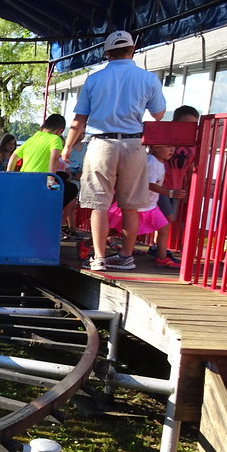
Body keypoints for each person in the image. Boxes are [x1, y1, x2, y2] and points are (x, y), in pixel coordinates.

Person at [62, 30, 166, 271]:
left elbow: (79, 118)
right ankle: (126, 257)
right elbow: (158, 114)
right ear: (133, 49)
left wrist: (68, 147)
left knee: (99, 203)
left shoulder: (94, 79)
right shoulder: (148, 79)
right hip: (133, 144)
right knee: (130, 204)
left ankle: (99, 258)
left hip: (101, 143)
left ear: (107, 53)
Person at [107, 141, 181, 267]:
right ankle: (87, 244)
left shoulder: (159, 161)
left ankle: (161, 258)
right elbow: (149, 184)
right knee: (113, 231)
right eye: (168, 146)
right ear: (156, 147)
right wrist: (170, 193)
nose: (172, 149)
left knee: (164, 228)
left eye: (173, 146)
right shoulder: (151, 161)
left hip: (150, 205)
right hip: (139, 205)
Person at [149, 105, 199, 262]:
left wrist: (189, 185)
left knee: (166, 219)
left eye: (193, 124)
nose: (188, 128)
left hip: (177, 187)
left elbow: (190, 166)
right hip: (162, 186)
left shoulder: (192, 143)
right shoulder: (166, 138)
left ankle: (157, 248)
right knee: (166, 218)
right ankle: (160, 253)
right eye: (185, 123)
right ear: (175, 122)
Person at [8, 113, 79, 212]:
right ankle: (60, 219)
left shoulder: (31, 139)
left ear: (43, 127)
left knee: (62, 180)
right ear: (60, 131)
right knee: (72, 189)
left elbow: (13, 157)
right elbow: (54, 158)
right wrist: (50, 180)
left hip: (24, 179)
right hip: (40, 181)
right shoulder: (55, 139)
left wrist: (9, 176)